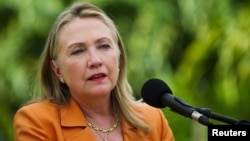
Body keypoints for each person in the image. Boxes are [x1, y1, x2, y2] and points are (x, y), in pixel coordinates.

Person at [13, 2, 175, 141]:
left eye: (104, 46)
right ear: (58, 71)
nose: (95, 60)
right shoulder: (37, 121)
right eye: (78, 51)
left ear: (119, 57)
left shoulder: (153, 120)